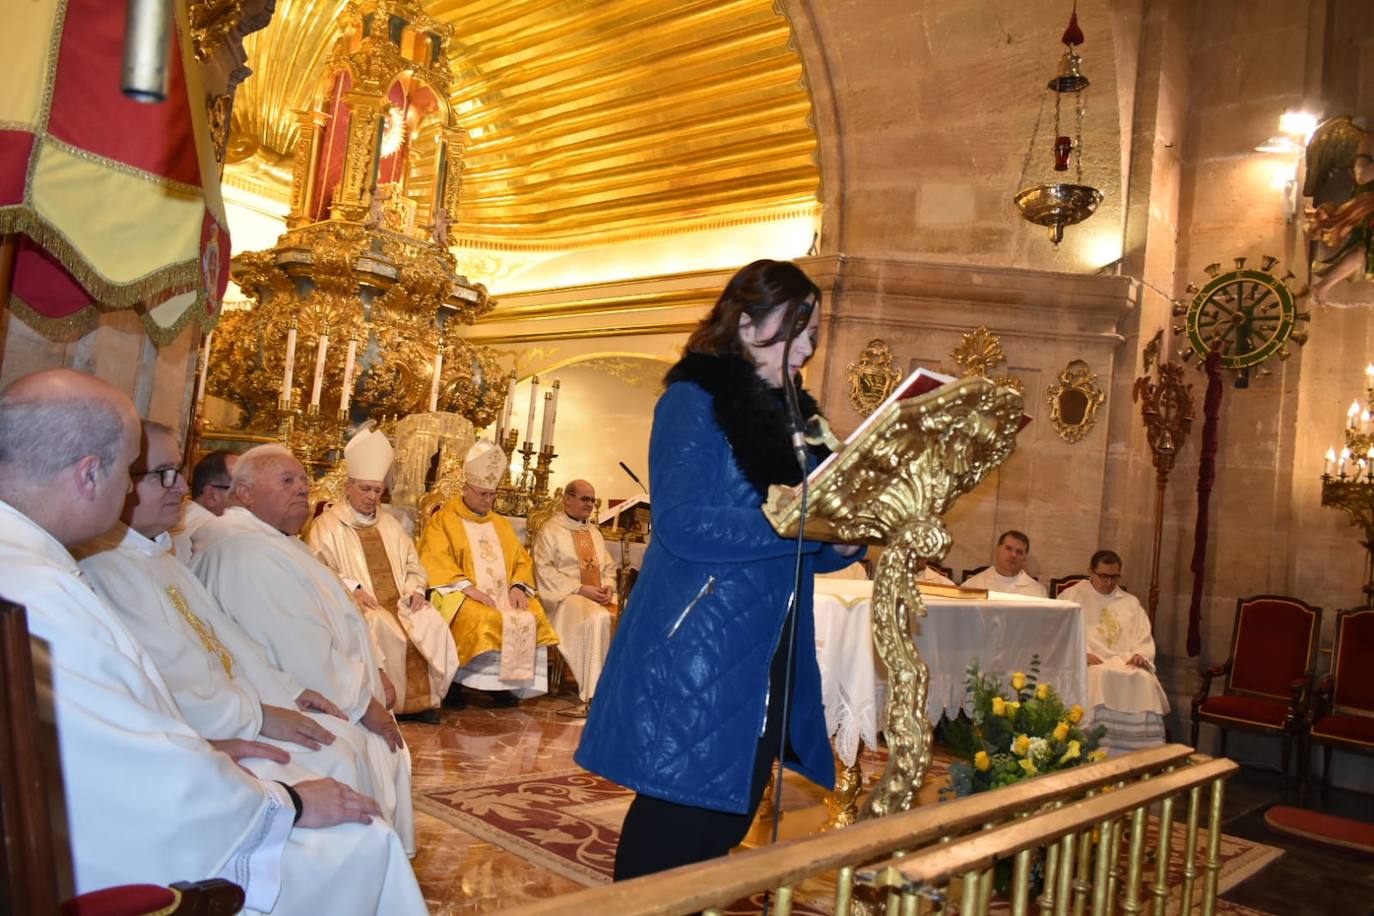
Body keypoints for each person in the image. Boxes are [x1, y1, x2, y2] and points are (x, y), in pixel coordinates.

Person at [0, 369, 425, 914]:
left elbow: (121, 725)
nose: (139, 490)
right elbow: (138, 770)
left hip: (130, 797)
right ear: (89, 475)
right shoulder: (41, 588)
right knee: (359, 844)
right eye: (135, 473)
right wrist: (285, 803)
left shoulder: (34, 564)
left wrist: (236, 732)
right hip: (108, 850)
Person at [574, 259, 864, 880]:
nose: (809, 347)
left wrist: (847, 536)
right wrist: (799, 526)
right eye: (798, 327)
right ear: (747, 320)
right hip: (699, 645)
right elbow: (683, 524)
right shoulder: (692, 401)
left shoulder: (801, 420)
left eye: (814, 331)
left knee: (728, 817)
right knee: (677, 820)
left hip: (767, 645)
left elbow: (818, 532)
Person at [78, 421, 400, 808]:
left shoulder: (158, 556)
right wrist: (265, 713)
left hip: (245, 706)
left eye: (302, 479)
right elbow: (172, 678)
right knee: (337, 752)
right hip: (200, 733)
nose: (183, 490)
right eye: (165, 475)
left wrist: (293, 692)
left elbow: (229, 643)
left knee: (340, 748)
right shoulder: (109, 563)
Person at [190, 443, 415, 855]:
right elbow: (296, 647)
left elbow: (333, 617)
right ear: (245, 494)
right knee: (352, 751)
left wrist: (375, 669)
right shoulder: (247, 551)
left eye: (303, 481)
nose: (302, 490)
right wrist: (363, 704)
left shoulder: (275, 541)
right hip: (298, 697)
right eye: (287, 481)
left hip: (317, 688)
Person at [308, 424, 459, 724]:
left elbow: (415, 565)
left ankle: (425, 701)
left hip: (399, 601)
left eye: (377, 490)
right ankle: (385, 703)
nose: (372, 496)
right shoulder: (326, 526)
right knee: (380, 625)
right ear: (348, 486)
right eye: (365, 488)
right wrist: (352, 589)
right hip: (356, 605)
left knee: (430, 621)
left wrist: (416, 591)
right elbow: (316, 570)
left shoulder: (390, 525)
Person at [418, 439, 560, 706]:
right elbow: (433, 558)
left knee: (531, 612)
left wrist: (518, 587)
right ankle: (458, 682)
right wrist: (466, 588)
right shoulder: (444, 520)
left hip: (501, 593)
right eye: (483, 494)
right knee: (479, 615)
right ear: (466, 489)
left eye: (492, 495)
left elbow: (522, 560)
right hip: (456, 593)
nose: (489, 501)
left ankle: (502, 684)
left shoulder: (501, 524)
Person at [1058, 550, 1169, 753]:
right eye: (1104, 576)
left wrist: (1140, 655)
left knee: (1144, 679)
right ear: (1090, 572)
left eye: (1114, 577)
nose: (1109, 582)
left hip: (1125, 662)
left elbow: (1143, 636)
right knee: (1102, 675)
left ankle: (1140, 753)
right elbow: (1060, 633)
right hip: (1092, 664)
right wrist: (1081, 653)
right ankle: (1100, 750)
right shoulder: (1072, 597)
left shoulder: (1130, 602)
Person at [532, 479, 618, 709]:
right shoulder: (551, 530)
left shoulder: (594, 532)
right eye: (585, 499)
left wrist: (608, 586)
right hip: (564, 598)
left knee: (629, 618)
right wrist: (580, 588)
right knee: (598, 618)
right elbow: (543, 569)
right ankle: (593, 690)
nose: (590, 504)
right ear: (567, 499)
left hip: (597, 596)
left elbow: (608, 568)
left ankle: (616, 688)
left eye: (593, 500)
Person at [171, 449, 237, 560]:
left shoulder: (179, 518)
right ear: (211, 495)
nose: (250, 498)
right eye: (241, 489)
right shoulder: (217, 536)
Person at [962, 530, 1047, 597]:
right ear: (997, 550)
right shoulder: (972, 585)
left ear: (1025, 557)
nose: (1013, 555)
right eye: (1008, 548)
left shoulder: (1038, 592)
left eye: (1019, 552)